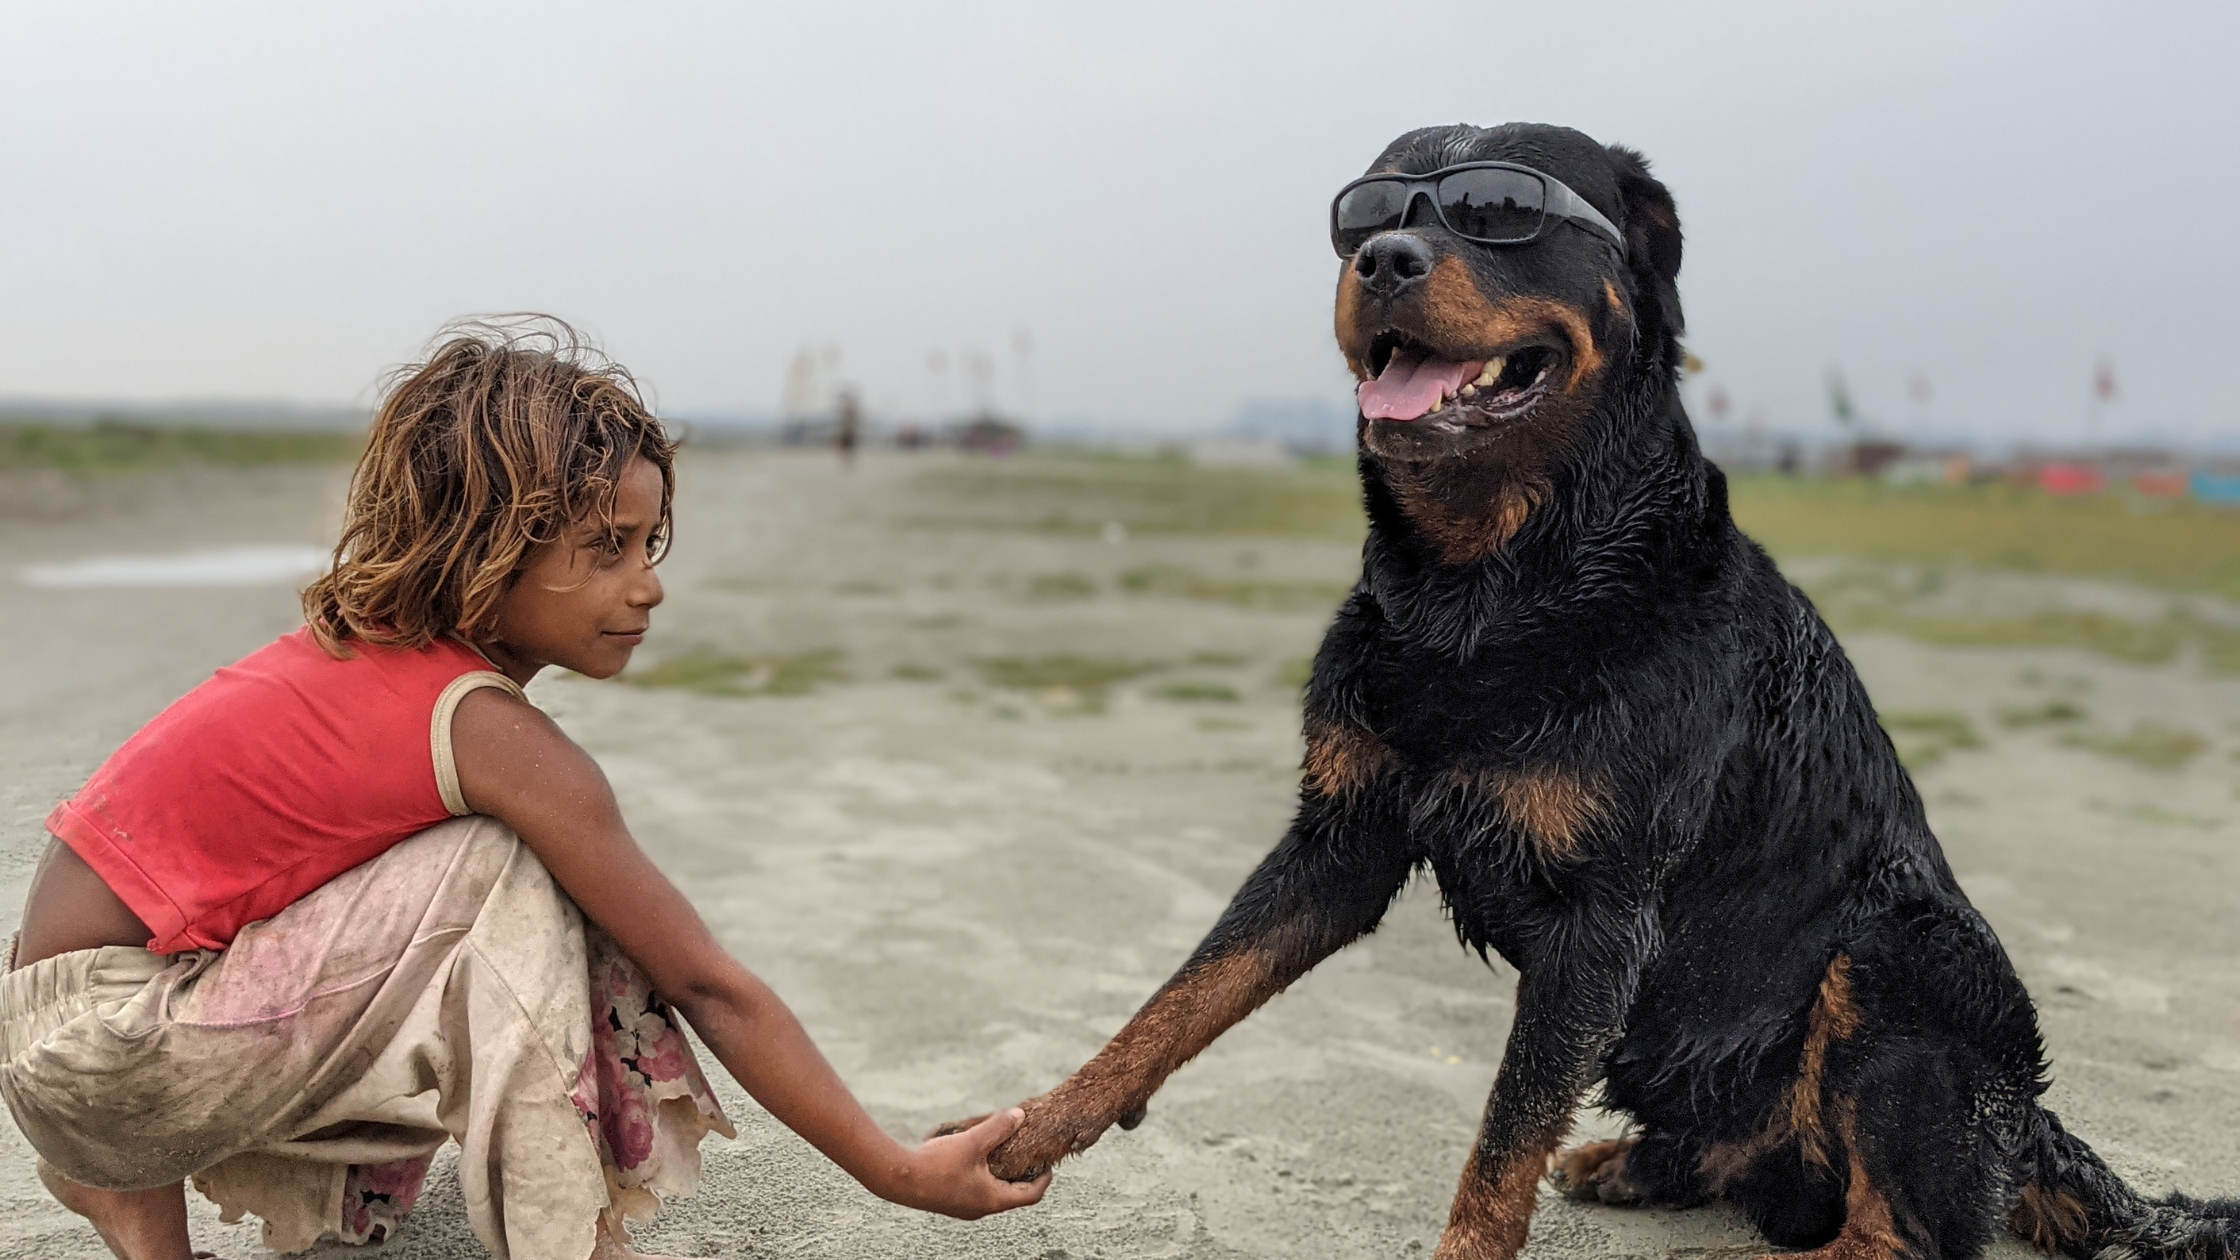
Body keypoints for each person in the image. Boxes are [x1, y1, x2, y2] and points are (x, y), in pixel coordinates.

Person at [1, 320, 1047, 1260]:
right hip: (106, 1050)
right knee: (505, 873)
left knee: (481, 886)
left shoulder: (369, 657)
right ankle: (565, 1241)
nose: (648, 584)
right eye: (605, 549)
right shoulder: (483, 730)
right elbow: (704, 983)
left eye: (648, 544)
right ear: (485, 546)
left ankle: (129, 1194)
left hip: (62, 1038)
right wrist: (896, 1172)